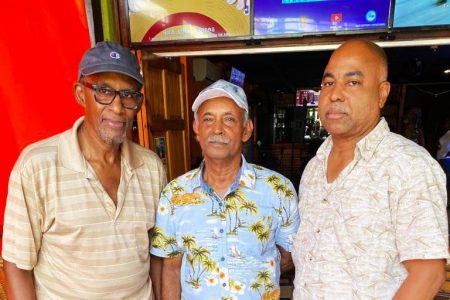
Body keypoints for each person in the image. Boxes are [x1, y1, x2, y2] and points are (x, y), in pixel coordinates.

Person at [2, 41, 166, 299]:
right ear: (80, 94)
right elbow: (17, 263)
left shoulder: (151, 168)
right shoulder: (37, 166)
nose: (117, 107)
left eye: (128, 95)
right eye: (104, 91)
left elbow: (157, 254)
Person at [292, 39, 449, 299]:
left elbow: (428, 272)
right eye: (329, 83)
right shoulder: (314, 167)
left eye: (352, 82)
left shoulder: (408, 165)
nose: (335, 94)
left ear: (382, 93)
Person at [150, 79, 300, 299]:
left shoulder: (279, 189)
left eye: (229, 119)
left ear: (247, 129)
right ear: (196, 129)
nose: (217, 129)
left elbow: (290, 256)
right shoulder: (174, 194)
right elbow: (171, 269)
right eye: (208, 119)